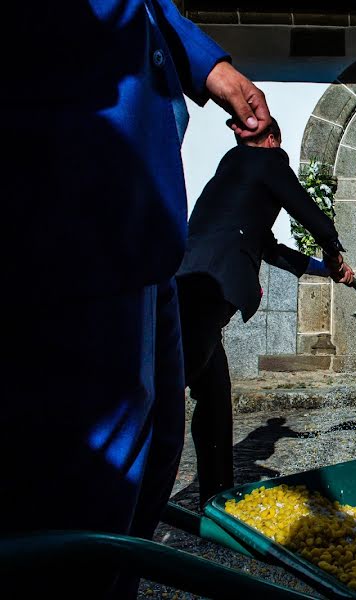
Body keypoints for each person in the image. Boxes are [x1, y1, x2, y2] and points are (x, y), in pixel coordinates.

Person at [4, 1, 273, 596]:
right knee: (79, 472)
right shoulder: (266, 165)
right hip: (72, 194)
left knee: (153, 451)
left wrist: (207, 65)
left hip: (150, 220)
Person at [177, 117, 354, 505]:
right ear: (274, 141)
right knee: (167, 391)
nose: (238, 131)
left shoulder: (237, 174)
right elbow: (303, 207)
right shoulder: (267, 160)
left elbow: (273, 250)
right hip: (208, 285)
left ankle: (217, 495)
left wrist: (327, 271)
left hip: (192, 281)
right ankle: (130, 492)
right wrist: (332, 246)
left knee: (215, 396)